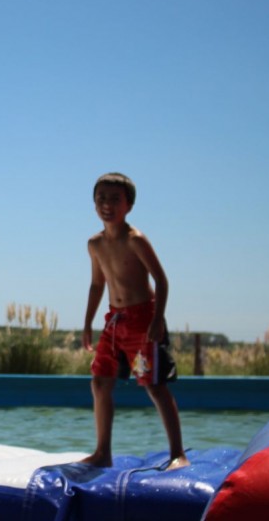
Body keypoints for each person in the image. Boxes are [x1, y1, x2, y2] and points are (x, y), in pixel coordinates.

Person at [80, 172, 189, 470]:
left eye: (115, 199)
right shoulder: (95, 244)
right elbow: (96, 285)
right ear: (94, 203)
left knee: (153, 385)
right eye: (101, 198)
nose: (107, 204)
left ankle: (178, 453)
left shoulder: (135, 240)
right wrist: (88, 324)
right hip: (114, 324)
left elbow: (162, 281)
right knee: (100, 382)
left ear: (128, 205)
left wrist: (157, 320)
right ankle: (103, 452)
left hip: (143, 323)